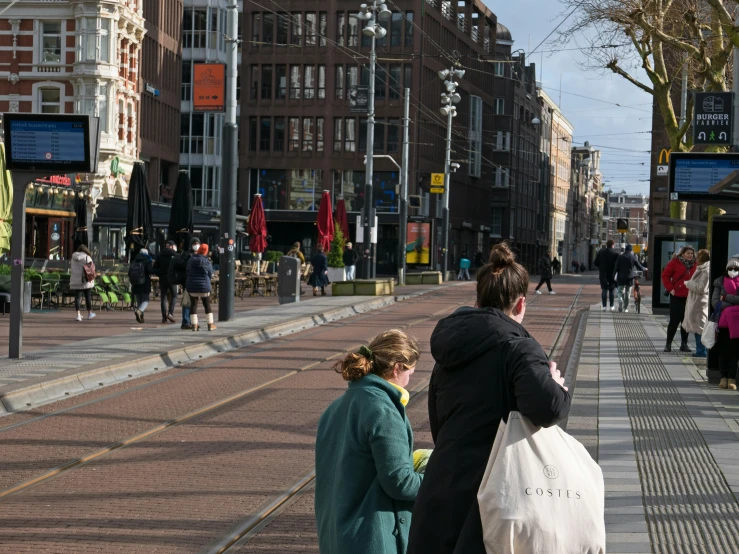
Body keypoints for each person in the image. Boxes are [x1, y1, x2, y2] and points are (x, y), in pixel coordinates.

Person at [407, 243, 571, 554]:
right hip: (495, 493)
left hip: (442, 487)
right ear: (521, 303)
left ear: (479, 299)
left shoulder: (449, 347)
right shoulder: (519, 348)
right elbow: (548, 408)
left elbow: (438, 420)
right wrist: (556, 385)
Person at [315, 330, 424, 554]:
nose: (409, 381)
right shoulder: (383, 410)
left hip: (336, 538)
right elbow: (400, 483)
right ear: (397, 368)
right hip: (372, 538)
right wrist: (435, 476)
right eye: (410, 374)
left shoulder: (334, 409)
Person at [661, 246, 696, 352]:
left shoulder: (696, 264)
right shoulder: (675, 263)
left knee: (686, 321)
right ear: (682, 254)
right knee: (674, 321)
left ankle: (684, 344)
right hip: (677, 295)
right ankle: (668, 344)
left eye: (691, 253)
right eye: (688, 253)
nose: (690, 255)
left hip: (690, 296)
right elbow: (665, 276)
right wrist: (670, 289)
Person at [712, 255, 739, 390]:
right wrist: (733, 304)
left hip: (737, 323)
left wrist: (727, 298)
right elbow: (715, 302)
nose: (733, 270)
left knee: (735, 351)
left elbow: (722, 300)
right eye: (731, 268)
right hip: (723, 323)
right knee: (723, 351)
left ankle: (732, 378)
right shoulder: (719, 282)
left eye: (736, 268)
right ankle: (723, 377)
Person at [683, 249, 711, 358]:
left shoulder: (706, 270)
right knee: (697, 327)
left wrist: (688, 283)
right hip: (696, 302)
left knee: (700, 327)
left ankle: (702, 351)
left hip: (700, 303)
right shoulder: (701, 268)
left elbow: (701, 288)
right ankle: (700, 350)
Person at [170, 237, 200, 329]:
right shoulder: (187, 254)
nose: (196, 245)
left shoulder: (199, 255)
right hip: (188, 281)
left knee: (193, 303)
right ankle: (186, 321)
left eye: (197, 243)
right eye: (194, 243)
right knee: (187, 302)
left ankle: (192, 321)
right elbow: (181, 265)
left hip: (196, 281)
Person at [186, 243, 216, 331]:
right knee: (207, 305)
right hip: (204, 286)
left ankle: (194, 325)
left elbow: (187, 272)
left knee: (193, 305)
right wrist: (207, 280)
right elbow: (210, 273)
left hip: (192, 285)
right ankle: (210, 324)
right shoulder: (207, 261)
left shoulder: (191, 260)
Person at [614, 244, 646, 313]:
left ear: (625, 249)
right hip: (630, 278)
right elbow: (639, 267)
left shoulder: (620, 257)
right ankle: (625, 308)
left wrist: (613, 276)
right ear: (631, 250)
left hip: (621, 278)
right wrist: (645, 269)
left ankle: (620, 301)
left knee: (620, 291)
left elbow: (616, 268)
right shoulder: (633, 257)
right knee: (628, 293)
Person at [69, 245, 96, 322]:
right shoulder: (87, 257)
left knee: (77, 298)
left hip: (75, 280)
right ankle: (89, 313)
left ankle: (78, 315)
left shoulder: (73, 257)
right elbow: (92, 268)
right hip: (85, 280)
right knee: (88, 297)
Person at [154, 240, 178, 324]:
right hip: (172, 278)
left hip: (163, 278)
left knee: (163, 297)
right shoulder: (175, 254)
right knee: (174, 295)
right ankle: (170, 313)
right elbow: (178, 266)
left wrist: (160, 273)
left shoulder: (160, 254)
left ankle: (164, 317)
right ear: (172, 246)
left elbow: (155, 267)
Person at [129, 248, 154, 324]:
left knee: (139, 300)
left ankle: (141, 318)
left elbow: (129, 272)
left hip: (135, 284)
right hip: (144, 283)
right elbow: (150, 270)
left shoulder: (134, 261)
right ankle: (139, 311)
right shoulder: (148, 260)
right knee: (146, 300)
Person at [594, 240, 619, 312]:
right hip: (612, 274)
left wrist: (600, 267)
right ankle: (611, 306)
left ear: (607, 244)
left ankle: (604, 306)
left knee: (604, 290)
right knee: (611, 290)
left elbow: (595, 262)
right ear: (613, 245)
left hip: (603, 274)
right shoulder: (615, 254)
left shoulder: (601, 252)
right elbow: (617, 265)